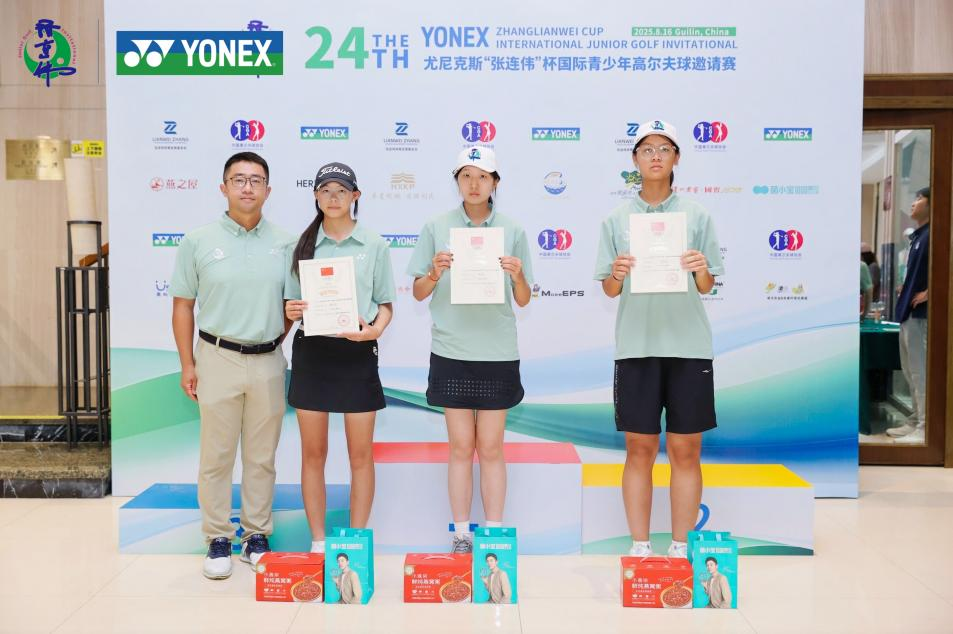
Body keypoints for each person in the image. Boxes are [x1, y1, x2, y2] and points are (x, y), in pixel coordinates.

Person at [594, 120, 724, 559]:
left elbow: (707, 285)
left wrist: (700, 268)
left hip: (688, 347)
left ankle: (682, 546)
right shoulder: (617, 220)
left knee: (686, 450)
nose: (655, 156)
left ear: (676, 158)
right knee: (639, 448)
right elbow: (609, 289)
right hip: (637, 347)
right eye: (646, 149)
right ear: (635, 159)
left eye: (663, 148)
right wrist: (616, 274)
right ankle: (640, 546)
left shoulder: (697, 216)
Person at [170, 151, 293, 579]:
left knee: (261, 457)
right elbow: (182, 306)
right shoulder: (198, 240)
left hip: (268, 360)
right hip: (216, 357)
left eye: (256, 180)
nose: (247, 187)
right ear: (223, 188)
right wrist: (187, 364)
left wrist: (275, 337)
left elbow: (291, 306)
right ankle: (217, 538)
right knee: (217, 456)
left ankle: (256, 536)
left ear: (268, 190)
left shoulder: (286, 243)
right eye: (238, 179)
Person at [407, 146, 533, 554]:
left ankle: (493, 533)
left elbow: (524, 298)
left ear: (495, 182)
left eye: (482, 176)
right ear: (457, 181)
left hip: (497, 351)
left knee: (491, 448)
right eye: (466, 176)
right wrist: (434, 272)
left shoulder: (512, 230)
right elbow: (418, 292)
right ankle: (461, 534)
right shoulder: (436, 227)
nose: (474, 184)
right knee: (461, 447)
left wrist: (517, 276)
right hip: (452, 349)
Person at [284, 163, 395, 554]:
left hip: (357, 353)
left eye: (341, 191)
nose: (333, 198)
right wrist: (291, 309)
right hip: (313, 353)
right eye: (325, 190)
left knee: (360, 456)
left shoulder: (374, 245)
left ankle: (357, 541)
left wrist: (375, 330)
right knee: (313, 454)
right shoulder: (302, 246)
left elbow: (386, 304)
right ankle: (318, 542)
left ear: (355, 196)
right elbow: (290, 303)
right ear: (315, 196)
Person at [888, 187, 930, 438]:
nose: (914, 203)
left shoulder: (935, 234)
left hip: (921, 314)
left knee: (919, 372)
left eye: (919, 198)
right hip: (907, 313)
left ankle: (925, 427)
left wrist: (931, 291)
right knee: (909, 371)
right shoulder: (917, 237)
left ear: (932, 204)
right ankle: (915, 420)